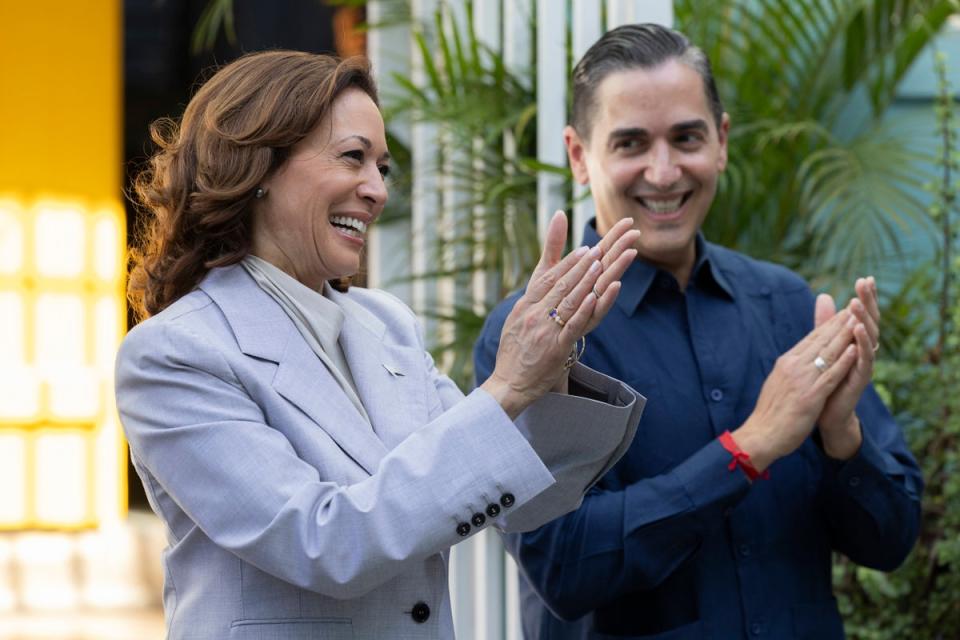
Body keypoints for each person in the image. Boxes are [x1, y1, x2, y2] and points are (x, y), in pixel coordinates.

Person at [115, 50, 648, 639]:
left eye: (382, 167)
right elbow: (326, 544)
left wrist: (549, 368)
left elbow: (524, 497)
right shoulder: (173, 354)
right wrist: (508, 384)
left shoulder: (385, 323)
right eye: (352, 158)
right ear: (258, 167)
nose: (376, 191)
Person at [475, 24, 922, 640]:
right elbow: (566, 567)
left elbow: (891, 542)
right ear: (580, 156)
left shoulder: (789, 308)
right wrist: (748, 449)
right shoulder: (536, 338)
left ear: (722, 142)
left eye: (686, 138)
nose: (664, 173)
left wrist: (842, 434)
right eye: (631, 143)